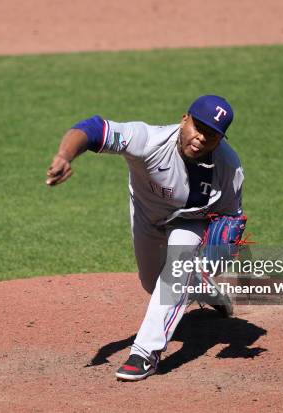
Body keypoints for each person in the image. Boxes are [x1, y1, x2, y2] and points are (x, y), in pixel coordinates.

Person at [45, 95, 246, 381]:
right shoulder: (148, 141)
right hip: (147, 216)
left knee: (176, 269)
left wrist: (221, 248)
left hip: (191, 221)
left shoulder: (229, 167)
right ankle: (205, 289)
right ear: (184, 119)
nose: (201, 138)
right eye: (198, 127)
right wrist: (65, 156)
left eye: (211, 135)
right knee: (152, 282)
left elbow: (232, 216)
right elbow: (91, 129)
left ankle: (145, 353)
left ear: (220, 139)